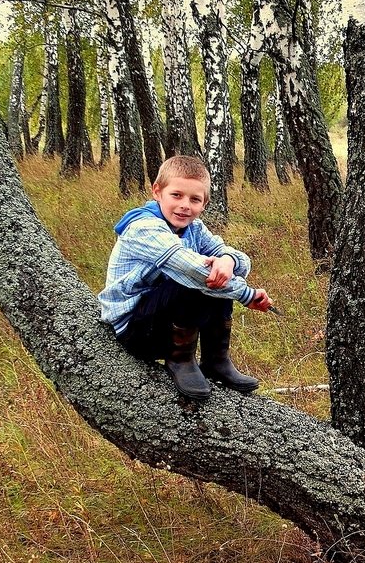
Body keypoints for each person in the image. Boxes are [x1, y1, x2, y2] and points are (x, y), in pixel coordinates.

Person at [98, 155, 272, 399]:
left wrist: (227, 261)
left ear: (204, 204)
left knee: (218, 275)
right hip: (134, 330)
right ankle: (180, 359)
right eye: (176, 195)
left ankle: (216, 360)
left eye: (195, 199)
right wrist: (246, 294)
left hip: (162, 319)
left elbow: (239, 260)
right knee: (196, 280)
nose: (185, 206)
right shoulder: (144, 227)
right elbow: (190, 270)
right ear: (157, 192)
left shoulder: (194, 228)